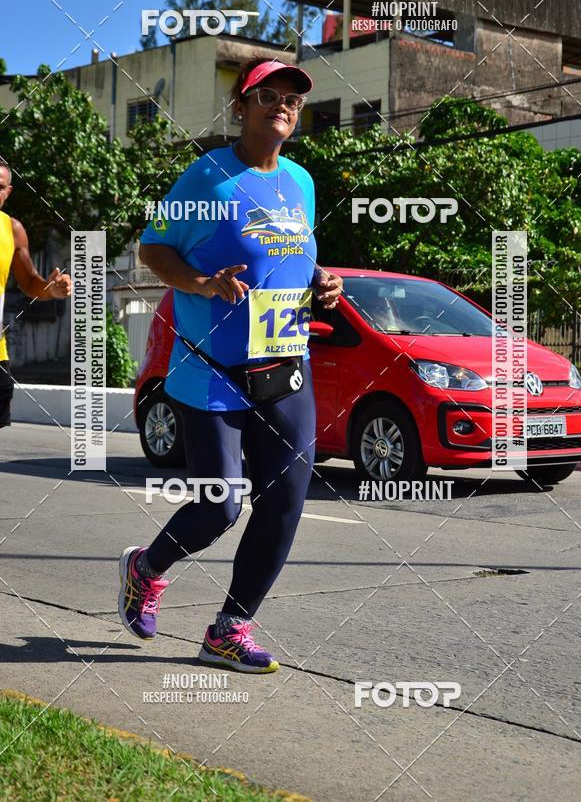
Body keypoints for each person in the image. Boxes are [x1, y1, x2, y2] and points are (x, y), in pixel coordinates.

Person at [118, 57, 343, 674]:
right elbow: (153, 248)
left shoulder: (300, 182)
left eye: (292, 100)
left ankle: (229, 629)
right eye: (267, 96)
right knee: (219, 505)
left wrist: (324, 282)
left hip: (283, 362)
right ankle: (147, 568)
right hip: (212, 366)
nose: (282, 106)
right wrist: (200, 283)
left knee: (286, 500)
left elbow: (294, 259)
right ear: (240, 109)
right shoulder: (208, 178)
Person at [0, 158, 72, 429]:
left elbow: (29, 281)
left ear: (9, 191)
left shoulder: (13, 230)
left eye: (0, 186)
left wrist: (50, 289)